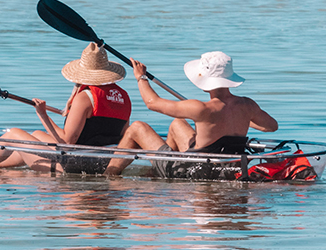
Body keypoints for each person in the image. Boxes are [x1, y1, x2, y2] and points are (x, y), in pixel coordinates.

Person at [0, 42, 132, 173]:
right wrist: (73, 96)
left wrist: (43, 114)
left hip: (74, 165)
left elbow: (67, 142)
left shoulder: (85, 98)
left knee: (14, 135)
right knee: (34, 136)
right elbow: (118, 136)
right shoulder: (124, 97)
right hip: (101, 162)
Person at [104, 51, 278, 179]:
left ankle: (108, 176)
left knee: (137, 128)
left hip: (195, 172)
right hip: (228, 169)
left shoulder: (200, 108)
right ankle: (159, 170)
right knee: (178, 123)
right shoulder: (247, 105)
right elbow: (271, 126)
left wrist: (141, 77)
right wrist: (245, 118)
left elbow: (152, 103)